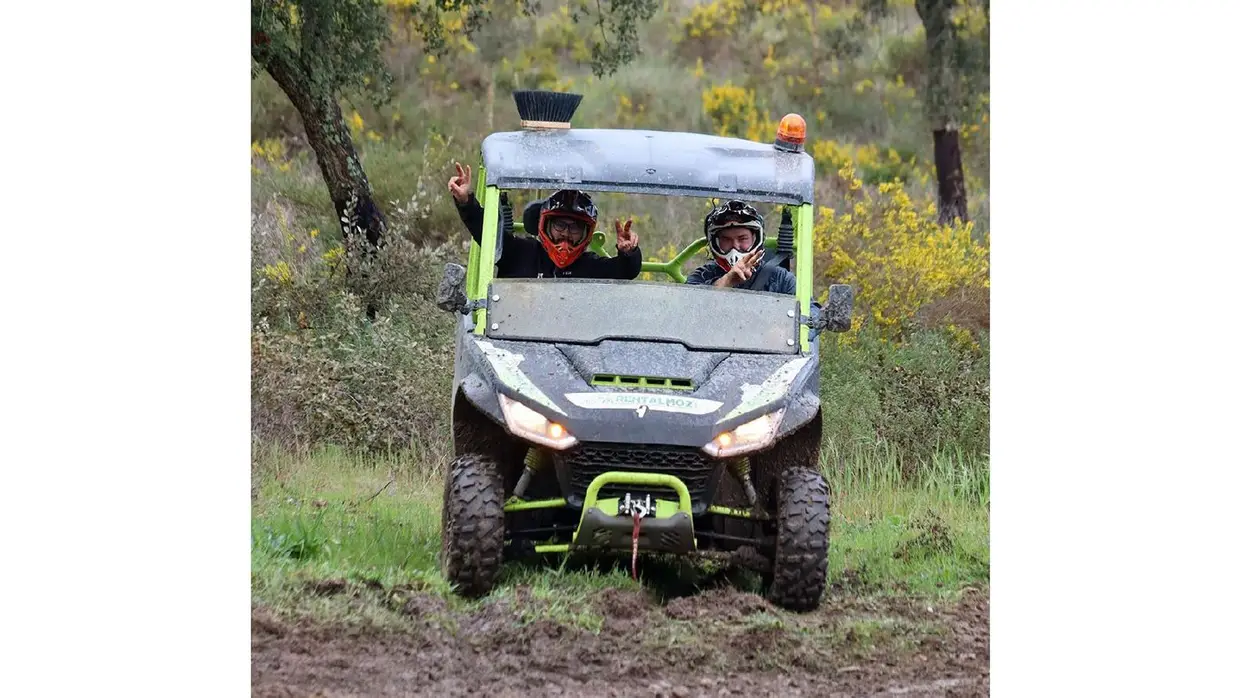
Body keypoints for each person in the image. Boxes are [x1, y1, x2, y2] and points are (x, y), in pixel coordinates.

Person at [448, 162, 642, 280]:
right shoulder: (519, 253)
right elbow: (486, 232)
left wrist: (628, 253)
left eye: (575, 227)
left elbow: (625, 271)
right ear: (545, 225)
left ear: (586, 234)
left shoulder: (590, 266)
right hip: (513, 339)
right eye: (559, 225)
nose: (566, 233)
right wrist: (466, 201)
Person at [685, 199, 797, 295]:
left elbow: (810, 315)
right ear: (715, 242)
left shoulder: (782, 279)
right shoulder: (701, 276)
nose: (735, 246)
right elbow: (687, 310)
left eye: (743, 239)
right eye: (726, 239)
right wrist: (728, 281)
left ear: (755, 239)